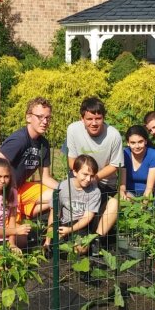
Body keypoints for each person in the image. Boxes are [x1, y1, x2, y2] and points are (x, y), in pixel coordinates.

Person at [64, 97, 124, 242]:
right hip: (79, 180)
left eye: (98, 118)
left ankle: (97, 238)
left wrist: (94, 178)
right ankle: (71, 230)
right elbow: (71, 159)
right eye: (89, 119)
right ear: (82, 118)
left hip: (103, 182)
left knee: (114, 204)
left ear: (103, 118)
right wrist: (83, 177)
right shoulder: (73, 129)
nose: (94, 123)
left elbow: (115, 165)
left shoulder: (113, 135)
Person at [0, 97, 59, 220]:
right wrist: (3, 195)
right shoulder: (19, 140)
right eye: (40, 117)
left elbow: (45, 178)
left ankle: (26, 214)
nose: (45, 121)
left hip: (20, 188)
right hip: (4, 191)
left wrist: (66, 189)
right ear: (28, 117)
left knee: (58, 196)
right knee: (18, 238)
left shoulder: (43, 144)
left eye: (48, 118)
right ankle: (18, 214)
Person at [45, 155, 101, 254]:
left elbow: (87, 218)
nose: (88, 179)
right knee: (55, 246)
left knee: (81, 248)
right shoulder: (63, 187)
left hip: (81, 226)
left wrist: (69, 230)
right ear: (75, 172)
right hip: (65, 223)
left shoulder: (95, 192)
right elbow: (53, 213)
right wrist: (47, 240)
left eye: (92, 176)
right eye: (85, 174)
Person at [121, 125, 155, 199]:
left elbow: (149, 188)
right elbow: (122, 186)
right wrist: (123, 196)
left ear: (145, 141)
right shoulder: (124, 155)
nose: (137, 146)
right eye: (133, 143)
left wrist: (142, 206)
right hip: (128, 194)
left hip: (149, 195)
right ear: (128, 143)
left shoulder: (153, 155)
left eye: (140, 142)